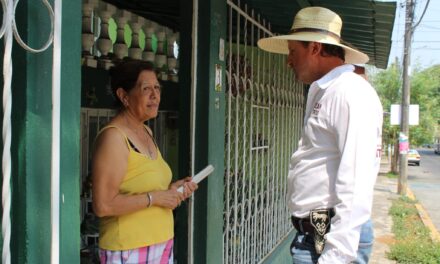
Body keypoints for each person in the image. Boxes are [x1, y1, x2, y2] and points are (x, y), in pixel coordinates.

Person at [258, 7, 383, 264]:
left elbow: (356, 181)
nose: (288, 61)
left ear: (315, 48)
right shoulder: (328, 90)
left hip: (331, 237)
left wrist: (336, 256)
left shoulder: (348, 93)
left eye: (293, 52)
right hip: (317, 232)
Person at [92, 60, 198, 264]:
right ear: (124, 96)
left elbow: (146, 185)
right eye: (146, 88)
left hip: (160, 242)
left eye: (157, 88)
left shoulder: (146, 131)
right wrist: (155, 198)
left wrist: (170, 191)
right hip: (129, 248)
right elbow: (103, 205)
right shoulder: (114, 138)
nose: (155, 95)